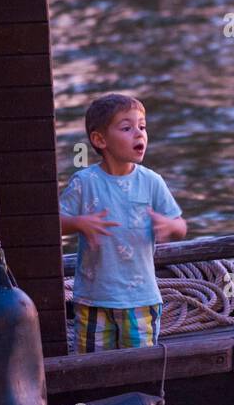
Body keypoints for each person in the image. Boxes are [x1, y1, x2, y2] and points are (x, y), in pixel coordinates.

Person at [58, 93, 187, 352]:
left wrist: (169, 226)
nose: (139, 134)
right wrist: (79, 223)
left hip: (141, 299)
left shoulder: (152, 181)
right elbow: (56, 223)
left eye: (142, 127)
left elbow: (181, 226)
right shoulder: (84, 182)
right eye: (127, 128)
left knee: (139, 366)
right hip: (94, 299)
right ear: (100, 140)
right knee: (93, 366)